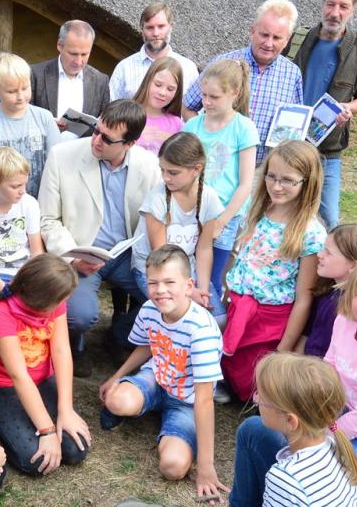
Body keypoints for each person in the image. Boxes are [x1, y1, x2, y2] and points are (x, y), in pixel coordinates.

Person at [230, 256, 357, 500]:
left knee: (324, 488)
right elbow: (328, 372)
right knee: (254, 429)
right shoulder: (345, 321)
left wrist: (314, 437)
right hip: (334, 410)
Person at [38, 99, 161, 376]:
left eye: (107, 138)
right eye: (96, 130)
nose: (96, 140)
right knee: (79, 315)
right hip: (80, 251)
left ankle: (118, 335)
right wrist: (72, 256)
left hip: (128, 254)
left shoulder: (149, 165)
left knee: (166, 299)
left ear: (129, 144)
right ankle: (76, 344)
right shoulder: (62, 155)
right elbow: (48, 219)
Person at [99, 246, 226, 501]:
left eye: (170, 282)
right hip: (157, 379)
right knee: (116, 400)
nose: (160, 290)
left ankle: (170, 425)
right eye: (153, 283)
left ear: (189, 286)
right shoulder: (148, 309)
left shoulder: (201, 330)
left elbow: (203, 399)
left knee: (173, 467)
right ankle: (146, 405)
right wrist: (116, 376)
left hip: (187, 401)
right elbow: (147, 345)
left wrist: (206, 466)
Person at [221, 140, 325, 401]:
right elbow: (242, 259)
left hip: (270, 321)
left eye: (288, 180)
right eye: (271, 177)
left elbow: (304, 298)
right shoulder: (257, 210)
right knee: (230, 364)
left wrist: (284, 349)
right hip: (239, 306)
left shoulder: (310, 233)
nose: (276, 186)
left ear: (307, 182)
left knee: (256, 377)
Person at [0, 254, 91, 476]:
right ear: (40, 301)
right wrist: (46, 431)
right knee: (36, 461)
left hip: (41, 379)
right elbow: (19, 376)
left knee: (75, 450)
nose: (63, 305)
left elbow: (61, 351)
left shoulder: (55, 302)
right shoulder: (1, 312)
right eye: (59, 302)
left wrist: (66, 410)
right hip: (3, 386)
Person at [288, 0, 357, 230]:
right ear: (322, 4)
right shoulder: (298, 39)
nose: (335, 12)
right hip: (289, 145)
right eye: (331, 4)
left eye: (343, 6)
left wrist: (349, 108)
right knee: (284, 214)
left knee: (329, 222)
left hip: (328, 150)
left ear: (353, 10)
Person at [229, 353, 357, 506]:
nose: (256, 399)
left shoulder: (285, 480)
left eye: (262, 398)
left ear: (290, 420)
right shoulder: (337, 448)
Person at [184, 0, 303, 164]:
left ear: (287, 40)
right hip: (219, 165)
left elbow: (292, 128)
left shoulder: (293, 74)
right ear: (252, 31)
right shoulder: (223, 63)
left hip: (264, 172)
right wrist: (206, 137)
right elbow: (188, 106)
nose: (269, 43)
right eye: (264, 34)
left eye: (276, 38)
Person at [182, 59, 259, 302]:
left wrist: (221, 222)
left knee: (212, 281)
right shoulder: (193, 125)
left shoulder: (243, 128)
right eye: (204, 95)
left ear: (233, 93)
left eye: (214, 97)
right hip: (193, 212)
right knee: (185, 274)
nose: (206, 102)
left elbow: (246, 183)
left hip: (225, 216)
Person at [129, 133, 224, 321]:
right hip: (156, 269)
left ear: (196, 169)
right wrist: (189, 294)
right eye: (162, 170)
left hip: (187, 267)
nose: (165, 177)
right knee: (180, 316)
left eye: (172, 172)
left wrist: (202, 290)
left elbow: (204, 248)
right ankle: (131, 331)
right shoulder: (157, 198)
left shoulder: (209, 198)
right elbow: (161, 255)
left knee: (218, 319)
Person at [0, 53, 60, 198]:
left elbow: (57, 163)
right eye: (11, 91)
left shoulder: (44, 118)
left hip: (42, 201)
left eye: (25, 88)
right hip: (2, 204)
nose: (20, 96)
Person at [296, 224, 357, 357]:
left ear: (354, 266)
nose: (320, 255)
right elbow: (308, 330)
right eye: (323, 249)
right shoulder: (327, 290)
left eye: (328, 252)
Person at [0, 147, 44, 301]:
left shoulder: (29, 203)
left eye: (24, 184)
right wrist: (1, 287)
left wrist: (28, 278)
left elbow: (36, 251)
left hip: (25, 272)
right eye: (15, 186)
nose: (22, 191)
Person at [30, 20, 110, 130]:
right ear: (59, 46)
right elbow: (25, 117)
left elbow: (104, 124)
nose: (78, 61)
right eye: (73, 54)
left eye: (84, 54)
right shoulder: (35, 74)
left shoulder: (101, 81)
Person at [109, 3, 199, 101]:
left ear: (171, 27)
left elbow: (197, 113)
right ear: (142, 30)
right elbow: (110, 108)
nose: (156, 33)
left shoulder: (188, 69)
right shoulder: (124, 68)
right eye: (150, 28)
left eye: (161, 26)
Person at [132, 57, 185, 154]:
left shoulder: (178, 125)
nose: (162, 93)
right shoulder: (126, 113)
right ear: (147, 81)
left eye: (170, 89)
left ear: (177, 92)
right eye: (158, 84)